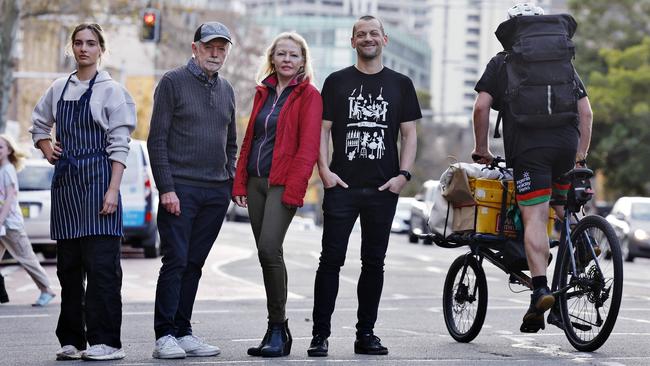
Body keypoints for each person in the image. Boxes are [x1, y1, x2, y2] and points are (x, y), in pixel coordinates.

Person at [471, 3, 593, 333]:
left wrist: (481, 149)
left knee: (534, 217)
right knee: (562, 210)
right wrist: (580, 156)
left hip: (530, 149)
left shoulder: (503, 62)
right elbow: (587, 113)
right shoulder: (563, 63)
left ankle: (540, 287)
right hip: (566, 144)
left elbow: (481, 107)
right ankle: (580, 248)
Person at [308, 15, 420, 357]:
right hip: (341, 186)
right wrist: (324, 171)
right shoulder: (337, 82)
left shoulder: (401, 84)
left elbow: (410, 134)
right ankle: (319, 336)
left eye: (373, 33)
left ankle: (365, 333)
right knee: (331, 260)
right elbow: (322, 130)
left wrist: (403, 176)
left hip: (382, 189)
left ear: (384, 39)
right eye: (361, 34)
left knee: (374, 263)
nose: (368, 38)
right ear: (352, 41)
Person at [30, 23, 136, 361]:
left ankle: (108, 342)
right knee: (69, 270)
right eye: (78, 43)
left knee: (103, 269)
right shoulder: (59, 88)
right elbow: (38, 124)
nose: (84, 49)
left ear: (100, 49)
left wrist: (112, 190)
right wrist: (47, 148)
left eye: (91, 43)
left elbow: (120, 145)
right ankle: (72, 340)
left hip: (100, 183)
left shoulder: (112, 91)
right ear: (71, 48)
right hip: (66, 187)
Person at [147, 21, 237, 360]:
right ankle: (164, 335)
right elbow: (157, 140)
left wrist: (228, 180)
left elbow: (231, 142)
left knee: (195, 263)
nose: (216, 53)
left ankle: (183, 331)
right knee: (176, 260)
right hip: (180, 189)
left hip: (215, 192)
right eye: (209, 46)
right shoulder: (172, 82)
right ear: (195, 47)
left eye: (222, 48)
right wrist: (167, 188)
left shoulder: (227, 89)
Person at [232, 32, 322, 358]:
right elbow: (249, 140)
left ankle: (276, 326)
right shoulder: (262, 93)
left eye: (293, 55)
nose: (287, 60)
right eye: (281, 54)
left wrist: (296, 190)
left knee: (269, 248)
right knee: (268, 253)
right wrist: (239, 183)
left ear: (302, 61)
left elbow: (308, 147)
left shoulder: (309, 96)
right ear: (272, 58)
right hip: (255, 181)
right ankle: (280, 331)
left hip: (283, 183)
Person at [0, 134, 56, 307]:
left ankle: (47, 290)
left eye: (1, 147)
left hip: (10, 224)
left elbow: (10, 197)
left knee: (27, 258)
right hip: (3, 224)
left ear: (9, 150)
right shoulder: (2, 170)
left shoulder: (8, 170)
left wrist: (1, 220)